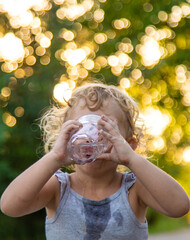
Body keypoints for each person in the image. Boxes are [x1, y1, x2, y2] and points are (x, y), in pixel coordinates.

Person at [0, 82, 189, 240]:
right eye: (81, 128)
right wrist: (54, 158)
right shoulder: (58, 187)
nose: (92, 138)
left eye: (105, 129)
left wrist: (131, 159)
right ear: (65, 139)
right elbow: (10, 206)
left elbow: (179, 206)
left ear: (128, 144)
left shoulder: (133, 189)